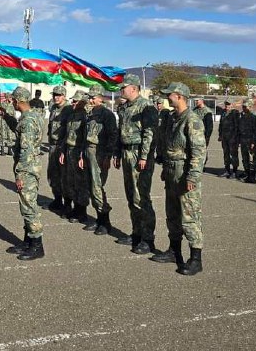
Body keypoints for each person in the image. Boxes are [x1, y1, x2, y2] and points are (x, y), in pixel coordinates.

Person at [150, 82, 206, 276]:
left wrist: (193, 175)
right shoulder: (173, 118)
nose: (167, 98)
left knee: (189, 217)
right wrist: (166, 168)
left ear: (180, 96)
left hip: (185, 172)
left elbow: (199, 152)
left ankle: (196, 259)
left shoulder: (192, 119)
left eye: (170, 95)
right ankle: (174, 251)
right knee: (172, 214)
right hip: (172, 170)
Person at [0, 86, 45, 260]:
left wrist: (19, 174)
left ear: (18, 101)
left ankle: (37, 246)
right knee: (26, 205)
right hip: (32, 166)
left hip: (27, 169)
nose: (12, 103)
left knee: (29, 207)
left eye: (13, 101)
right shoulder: (34, 117)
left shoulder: (27, 121)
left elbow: (25, 149)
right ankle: (28, 241)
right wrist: (7, 116)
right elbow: (18, 130)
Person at [113, 73, 157, 254]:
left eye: (124, 87)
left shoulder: (146, 107)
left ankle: (148, 238)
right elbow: (120, 131)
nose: (121, 90)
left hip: (139, 153)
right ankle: (136, 233)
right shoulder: (124, 108)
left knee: (142, 197)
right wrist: (117, 152)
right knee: (131, 196)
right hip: (126, 152)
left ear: (134, 88)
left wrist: (144, 157)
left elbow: (150, 133)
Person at [84, 84, 117, 235]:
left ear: (101, 98)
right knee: (91, 186)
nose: (90, 100)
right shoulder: (89, 114)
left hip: (100, 153)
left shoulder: (107, 114)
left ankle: (105, 221)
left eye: (93, 98)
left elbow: (112, 136)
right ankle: (98, 218)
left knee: (98, 187)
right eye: (89, 97)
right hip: (89, 152)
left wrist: (108, 156)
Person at [60, 91, 88, 223]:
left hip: (78, 152)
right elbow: (67, 135)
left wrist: (82, 155)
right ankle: (73, 208)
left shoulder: (85, 117)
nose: (73, 103)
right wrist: (62, 151)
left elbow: (84, 138)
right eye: (73, 101)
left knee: (80, 183)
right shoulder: (72, 115)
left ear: (83, 102)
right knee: (69, 181)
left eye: (76, 101)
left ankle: (81, 211)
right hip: (69, 151)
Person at [45, 85, 71, 212]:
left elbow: (69, 131)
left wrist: (64, 148)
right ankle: (57, 200)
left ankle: (67, 204)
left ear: (64, 96)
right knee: (52, 174)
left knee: (64, 176)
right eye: (54, 95)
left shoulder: (68, 109)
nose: (56, 97)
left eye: (58, 95)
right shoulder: (53, 108)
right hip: (53, 145)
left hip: (63, 146)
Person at [237, 99, 256, 182]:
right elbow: (240, 129)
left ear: (250, 107)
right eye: (242, 106)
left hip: (251, 141)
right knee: (244, 158)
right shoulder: (242, 116)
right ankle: (247, 174)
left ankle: (252, 176)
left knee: (252, 159)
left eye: (245, 107)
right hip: (243, 140)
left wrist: (254, 142)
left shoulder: (254, 117)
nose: (243, 108)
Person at [217, 101, 240, 178]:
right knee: (226, 154)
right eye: (226, 104)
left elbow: (237, 126)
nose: (227, 106)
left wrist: (235, 137)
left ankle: (234, 172)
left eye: (229, 104)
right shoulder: (223, 112)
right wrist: (220, 135)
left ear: (232, 104)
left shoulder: (235, 113)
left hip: (232, 137)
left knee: (233, 154)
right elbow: (221, 124)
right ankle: (227, 170)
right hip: (224, 137)